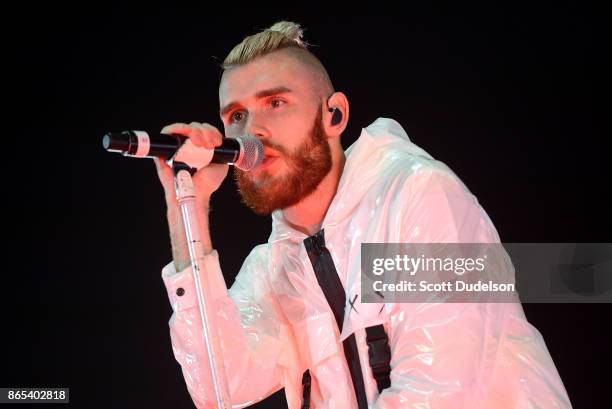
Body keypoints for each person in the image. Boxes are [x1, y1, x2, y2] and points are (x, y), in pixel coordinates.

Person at [154, 21, 572, 408]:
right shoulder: (275, 266)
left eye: (276, 103)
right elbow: (219, 385)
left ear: (334, 114)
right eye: (236, 116)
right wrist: (186, 206)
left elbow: (438, 392)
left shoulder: (418, 196)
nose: (251, 132)